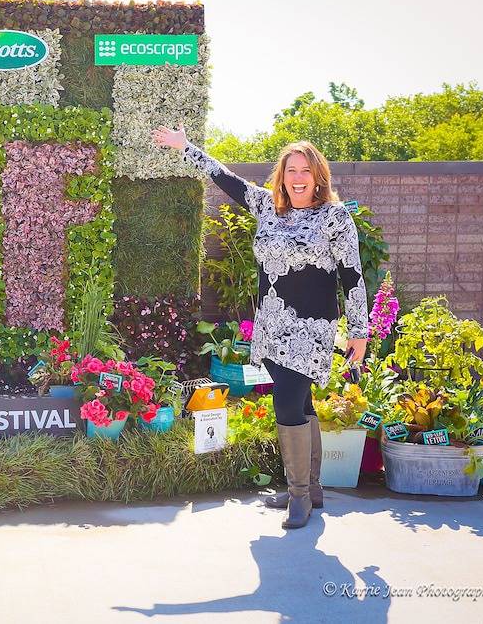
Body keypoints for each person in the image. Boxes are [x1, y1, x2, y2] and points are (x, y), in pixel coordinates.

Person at [152, 124, 368, 530]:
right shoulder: (268, 206)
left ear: (318, 176)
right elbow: (227, 180)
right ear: (281, 176)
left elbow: (352, 276)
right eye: (291, 171)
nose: (298, 178)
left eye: (305, 171)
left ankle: (300, 496)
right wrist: (186, 147)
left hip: (311, 327)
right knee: (301, 404)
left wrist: (359, 331)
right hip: (272, 325)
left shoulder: (335, 217)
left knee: (287, 402)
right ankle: (312, 486)